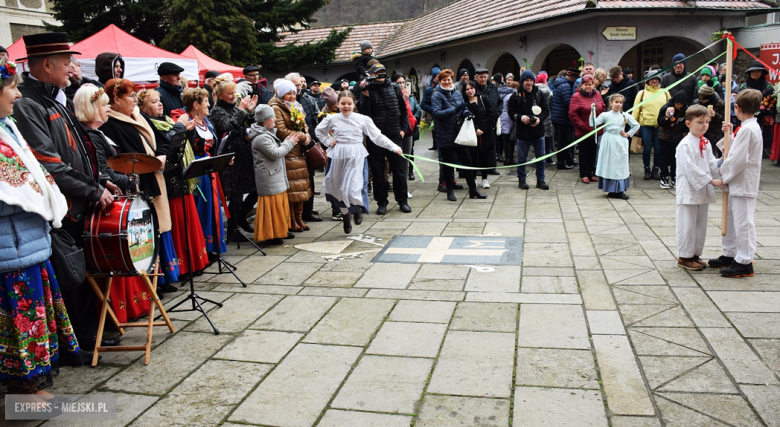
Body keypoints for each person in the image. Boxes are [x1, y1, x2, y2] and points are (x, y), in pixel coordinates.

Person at [13, 32, 117, 352]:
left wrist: (100, 180)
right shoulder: (30, 104)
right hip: (65, 206)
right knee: (70, 277)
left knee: (80, 273)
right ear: (47, 64)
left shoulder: (53, 97)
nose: (72, 67)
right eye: (67, 62)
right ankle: (75, 343)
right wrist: (92, 189)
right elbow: (50, 165)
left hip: (78, 199)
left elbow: (80, 149)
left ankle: (87, 335)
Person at [0, 60, 86, 392]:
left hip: (27, 243)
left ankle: (30, 388)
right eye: (10, 87)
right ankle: (24, 391)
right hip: (12, 247)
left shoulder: (7, 125)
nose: (17, 94)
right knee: (20, 326)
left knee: (32, 323)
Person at [102, 79, 209, 283]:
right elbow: (126, 154)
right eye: (130, 96)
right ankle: (154, 279)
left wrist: (160, 156)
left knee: (155, 229)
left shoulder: (138, 117)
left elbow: (158, 143)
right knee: (146, 231)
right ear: (116, 100)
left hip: (155, 174)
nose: (134, 100)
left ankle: (158, 277)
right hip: (139, 180)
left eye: (135, 96)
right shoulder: (113, 124)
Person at [318, 91, 405, 233]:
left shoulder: (363, 119)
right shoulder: (331, 119)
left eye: (349, 103)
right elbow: (319, 131)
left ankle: (357, 209)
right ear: (338, 104)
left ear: (354, 104)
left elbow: (377, 136)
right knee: (340, 190)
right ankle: (346, 217)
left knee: (354, 187)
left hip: (356, 156)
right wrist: (328, 141)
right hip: (339, 156)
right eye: (343, 103)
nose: (346, 106)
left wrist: (394, 147)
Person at [710, 89, 764, 277]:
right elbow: (736, 148)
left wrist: (723, 172)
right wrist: (730, 136)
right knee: (732, 218)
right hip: (738, 181)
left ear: (738, 108)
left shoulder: (749, 129)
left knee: (743, 222)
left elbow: (738, 158)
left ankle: (744, 260)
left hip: (743, 181)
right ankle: (730, 252)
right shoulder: (747, 128)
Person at [180, 87, 229, 257]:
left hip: (209, 168)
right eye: (206, 102)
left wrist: (221, 159)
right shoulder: (186, 121)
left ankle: (212, 245)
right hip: (197, 170)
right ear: (195, 105)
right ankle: (201, 250)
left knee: (212, 207)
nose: (209, 105)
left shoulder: (207, 122)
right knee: (202, 207)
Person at [675, 105, 723, 271]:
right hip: (689, 190)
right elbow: (690, 169)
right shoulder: (685, 145)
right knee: (687, 224)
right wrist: (712, 181)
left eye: (707, 122)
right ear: (688, 123)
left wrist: (722, 163)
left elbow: (710, 163)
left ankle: (695, 253)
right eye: (700, 122)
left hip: (702, 190)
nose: (704, 125)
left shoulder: (705, 142)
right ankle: (685, 256)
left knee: (700, 224)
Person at [358, 63, 412, 214]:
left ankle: (402, 200)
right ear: (371, 75)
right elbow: (363, 115)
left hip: (394, 133)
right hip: (375, 137)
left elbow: (404, 109)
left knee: (398, 169)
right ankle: (382, 202)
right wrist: (366, 95)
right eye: (377, 73)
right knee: (377, 170)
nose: (380, 75)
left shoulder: (394, 88)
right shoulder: (367, 89)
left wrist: (403, 129)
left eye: (382, 72)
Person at [211, 73, 259, 238]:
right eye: (230, 93)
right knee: (236, 196)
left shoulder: (233, 107)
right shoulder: (217, 111)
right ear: (219, 95)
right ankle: (232, 230)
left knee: (255, 190)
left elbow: (246, 124)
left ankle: (240, 218)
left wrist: (250, 112)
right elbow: (228, 127)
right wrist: (241, 110)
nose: (233, 96)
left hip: (242, 155)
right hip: (230, 157)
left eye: (234, 93)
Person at [431, 68, 487, 202]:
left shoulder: (456, 93)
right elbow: (437, 113)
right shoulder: (436, 95)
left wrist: (466, 113)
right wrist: (455, 110)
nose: (446, 82)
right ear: (440, 81)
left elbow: (463, 107)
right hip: (445, 134)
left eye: (448, 80)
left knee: (467, 162)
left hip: (459, 133)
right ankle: (450, 190)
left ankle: (473, 189)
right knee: (449, 164)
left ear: (451, 80)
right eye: (444, 80)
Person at [248, 104, 299, 244]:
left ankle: (280, 231)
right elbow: (276, 153)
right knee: (272, 209)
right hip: (269, 178)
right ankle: (271, 235)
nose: (275, 119)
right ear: (265, 121)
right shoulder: (261, 138)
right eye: (272, 117)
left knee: (278, 207)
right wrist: (289, 142)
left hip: (274, 176)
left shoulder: (266, 133)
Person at [269, 79, 313, 232]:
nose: (292, 96)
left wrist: (307, 134)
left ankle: (299, 218)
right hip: (287, 151)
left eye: (294, 93)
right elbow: (281, 131)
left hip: (299, 151)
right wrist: (302, 136)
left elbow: (304, 125)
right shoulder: (275, 108)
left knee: (301, 186)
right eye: (288, 93)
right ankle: (291, 220)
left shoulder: (297, 106)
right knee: (292, 188)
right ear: (281, 94)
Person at [592, 94, 639, 200]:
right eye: (616, 102)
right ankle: (611, 190)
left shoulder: (625, 115)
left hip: (620, 141)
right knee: (609, 163)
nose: (618, 104)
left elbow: (636, 125)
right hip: (608, 141)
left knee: (619, 164)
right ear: (611, 103)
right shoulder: (605, 115)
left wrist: (628, 134)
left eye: (620, 102)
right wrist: (592, 112)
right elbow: (593, 124)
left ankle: (619, 190)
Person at [508, 70, 549, 190]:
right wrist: (521, 117)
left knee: (541, 158)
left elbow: (546, 110)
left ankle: (540, 180)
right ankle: (522, 180)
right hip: (522, 132)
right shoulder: (515, 95)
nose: (529, 83)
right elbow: (510, 112)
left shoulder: (539, 94)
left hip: (538, 131)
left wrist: (539, 119)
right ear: (522, 82)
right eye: (526, 80)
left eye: (531, 80)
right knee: (522, 159)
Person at [633, 70, 669, 180]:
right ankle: (647, 169)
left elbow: (670, 107)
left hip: (660, 125)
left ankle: (656, 169)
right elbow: (636, 109)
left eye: (656, 79)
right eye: (652, 79)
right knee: (647, 148)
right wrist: (635, 125)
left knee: (658, 149)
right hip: (645, 124)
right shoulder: (642, 93)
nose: (654, 81)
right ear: (647, 80)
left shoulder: (665, 92)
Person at [569, 74, 604, 184]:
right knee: (584, 152)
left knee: (593, 152)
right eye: (586, 85)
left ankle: (591, 172)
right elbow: (572, 114)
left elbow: (602, 107)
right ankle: (584, 174)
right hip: (584, 130)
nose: (588, 87)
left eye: (590, 84)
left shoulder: (597, 94)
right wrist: (583, 126)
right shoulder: (576, 96)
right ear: (581, 85)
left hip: (595, 129)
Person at [739, 61, 775, 157]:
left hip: (763, 117)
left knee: (762, 138)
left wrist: (765, 106)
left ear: (762, 73)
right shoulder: (744, 86)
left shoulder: (768, 86)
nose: (755, 73)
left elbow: (772, 101)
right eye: (753, 71)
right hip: (748, 115)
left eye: (758, 71)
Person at [463, 80, 495, 188]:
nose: (470, 91)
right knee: (472, 157)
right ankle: (474, 179)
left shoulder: (483, 99)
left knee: (484, 156)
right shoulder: (464, 103)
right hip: (472, 134)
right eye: (467, 89)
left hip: (485, 134)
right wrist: (476, 129)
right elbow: (466, 118)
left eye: (471, 88)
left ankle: (485, 179)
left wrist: (483, 129)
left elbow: (490, 114)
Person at [657, 91, 689, 189]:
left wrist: (684, 132)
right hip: (664, 137)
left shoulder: (685, 110)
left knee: (675, 159)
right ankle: (664, 177)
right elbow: (660, 123)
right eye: (678, 103)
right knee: (664, 159)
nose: (679, 106)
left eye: (681, 104)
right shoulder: (665, 108)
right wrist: (667, 117)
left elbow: (686, 123)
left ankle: (675, 177)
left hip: (677, 138)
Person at [393, 73, 417, 197]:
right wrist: (403, 101)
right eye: (398, 83)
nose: (401, 85)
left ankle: (404, 188)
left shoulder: (409, 96)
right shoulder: (392, 95)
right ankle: (398, 187)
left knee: (406, 161)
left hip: (408, 130)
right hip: (397, 131)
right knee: (398, 162)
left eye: (403, 82)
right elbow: (397, 112)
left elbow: (412, 111)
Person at [551, 67, 580, 169]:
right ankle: (562, 163)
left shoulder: (561, 84)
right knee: (563, 142)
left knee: (565, 140)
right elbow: (568, 103)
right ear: (573, 77)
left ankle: (569, 160)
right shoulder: (566, 86)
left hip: (559, 117)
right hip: (562, 118)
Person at [474, 68, 501, 174]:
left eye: (485, 77)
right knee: (479, 146)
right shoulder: (474, 87)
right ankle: (479, 168)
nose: (483, 79)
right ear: (476, 78)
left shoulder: (493, 87)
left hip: (491, 120)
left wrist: (498, 112)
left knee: (491, 144)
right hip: (479, 121)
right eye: (481, 77)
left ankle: (491, 167)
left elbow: (500, 101)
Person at [694, 82, 725, 158]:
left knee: (711, 155)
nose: (701, 100)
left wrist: (715, 115)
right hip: (700, 132)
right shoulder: (697, 102)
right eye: (700, 98)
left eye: (704, 99)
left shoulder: (720, 104)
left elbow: (724, 120)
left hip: (713, 134)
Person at [535, 74, 555, 165]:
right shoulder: (547, 90)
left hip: (537, 117)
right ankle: (548, 158)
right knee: (547, 140)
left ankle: (540, 158)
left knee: (539, 139)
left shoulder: (534, 90)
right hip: (547, 116)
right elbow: (550, 104)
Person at [499, 80, 516, 165]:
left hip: (504, 118)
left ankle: (507, 158)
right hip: (509, 118)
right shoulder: (511, 96)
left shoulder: (504, 95)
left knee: (506, 139)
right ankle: (509, 158)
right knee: (510, 139)